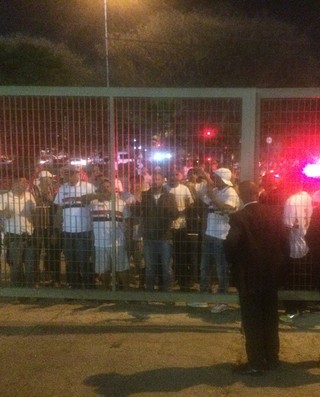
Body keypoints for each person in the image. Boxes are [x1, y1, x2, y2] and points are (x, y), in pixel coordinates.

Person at [224, 181, 287, 375]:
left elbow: (231, 245)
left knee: (251, 320)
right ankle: (272, 358)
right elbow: (285, 244)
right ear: (258, 193)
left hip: (249, 276)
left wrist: (233, 262)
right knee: (270, 316)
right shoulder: (275, 214)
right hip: (271, 275)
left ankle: (256, 363)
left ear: (242, 196)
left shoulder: (238, 217)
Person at [192, 168, 239, 312]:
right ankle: (204, 296)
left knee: (221, 269)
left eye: (217, 178)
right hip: (210, 234)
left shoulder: (230, 192)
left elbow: (227, 207)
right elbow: (203, 198)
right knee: (205, 267)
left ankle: (223, 300)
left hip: (221, 236)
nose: (215, 180)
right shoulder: (218, 191)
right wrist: (202, 183)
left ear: (223, 179)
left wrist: (212, 195)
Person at [83, 177, 130, 290]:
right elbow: (83, 199)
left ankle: (127, 291)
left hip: (118, 243)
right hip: (100, 244)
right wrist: (97, 195)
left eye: (108, 187)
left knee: (121, 269)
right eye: (103, 187)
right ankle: (106, 291)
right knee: (104, 271)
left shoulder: (121, 204)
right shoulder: (93, 204)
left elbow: (128, 223)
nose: (106, 189)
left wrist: (127, 239)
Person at [54, 165, 95, 289]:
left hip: (84, 230)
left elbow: (95, 206)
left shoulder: (88, 187)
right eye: (67, 173)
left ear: (79, 174)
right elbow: (59, 210)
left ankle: (88, 287)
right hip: (67, 231)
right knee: (70, 261)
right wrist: (56, 229)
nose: (70, 176)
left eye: (72, 173)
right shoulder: (62, 189)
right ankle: (74, 286)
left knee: (84, 261)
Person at [139, 172, 179, 292]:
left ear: (163, 181)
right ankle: (150, 292)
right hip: (149, 237)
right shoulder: (145, 195)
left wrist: (170, 210)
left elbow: (175, 215)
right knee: (149, 267)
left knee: (166, 267)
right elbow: (138, 212)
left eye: (158, 179)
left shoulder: (169, 196)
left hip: (164, 237)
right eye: (154, 179)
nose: (155, 181)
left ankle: (167, 293)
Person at [280, 180, 313, 322]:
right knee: (302, 278)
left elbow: (288, 226)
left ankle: (292, 310)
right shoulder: (306, 196)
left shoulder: (291, 201)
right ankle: (302, 306)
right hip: (304, 242)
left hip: (293, 246)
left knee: (290, 279)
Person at [0, 177, 37, 287]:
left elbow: (35, 211)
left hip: (29, 235)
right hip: (14, 237)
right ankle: (17, 292)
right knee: (16, 266)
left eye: (26, 181)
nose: (26, 184)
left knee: (30, 266)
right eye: (23, 182)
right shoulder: (5, 197)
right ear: (15, 183)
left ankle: (30, 293)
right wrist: (4, 212)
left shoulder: (29, 195)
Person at [31, 171, 62, 287]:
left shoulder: (54, 191)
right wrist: (43, 196)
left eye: (50, 179)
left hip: (51, 227)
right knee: (36, 253)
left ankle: (55, 279)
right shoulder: (34, 190)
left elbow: (56, 206)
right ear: (43, 179)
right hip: (38, 227)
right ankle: (36, 280)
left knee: (53, 253)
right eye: (48, 179)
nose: (50, 181)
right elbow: (34, 204)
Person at [167, 170, 194, 291]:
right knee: (168, 255)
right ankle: (169, 280)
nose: (173, 177)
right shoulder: (164, 188)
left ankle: (182, 280)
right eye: (171, 175)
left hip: (181, 226)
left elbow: (190, 203)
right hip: (167, 226)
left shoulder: (184, 189)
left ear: (178, 177)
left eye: (175, 175)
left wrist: (182, 212)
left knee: (181, 254)